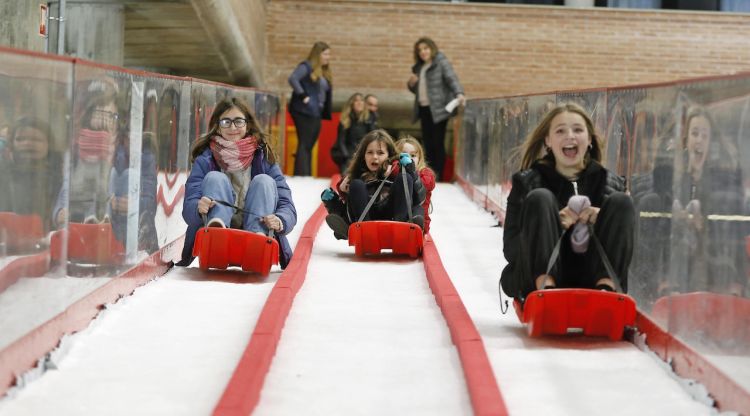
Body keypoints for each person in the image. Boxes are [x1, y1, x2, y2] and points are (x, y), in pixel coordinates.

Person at [500, 103, 635, 302]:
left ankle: (606, 292)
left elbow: (628, 253)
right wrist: (552, 224)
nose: (570, 136)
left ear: (589, 139)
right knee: (541, 198)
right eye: (560, 130)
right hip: (538, 278)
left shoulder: (611, 183)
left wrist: (602, 220)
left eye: (578, 130)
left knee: (621, 202)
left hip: (592, 277)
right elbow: (511, 250)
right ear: (548, 140)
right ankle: (546, 290)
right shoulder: (527, 182)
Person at [635, 107, 746, 298]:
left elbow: (729, 228)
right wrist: (674, 220)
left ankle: (729, 285)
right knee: (651, 204)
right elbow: (655, 207)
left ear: (711, 143)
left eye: (705, 135)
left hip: (710, 257)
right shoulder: (671, 175)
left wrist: (704, 226)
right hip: (675, 253)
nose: (699, 140)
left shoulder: (720, 180)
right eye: (695, 134)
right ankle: (665, 285)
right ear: (686, 140)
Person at [177, 98, 297, 269]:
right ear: (218, 126)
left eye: (238, 121)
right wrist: (198, 207)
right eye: (226, 122)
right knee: (214, 177)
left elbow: (286, 203)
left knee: (264, 181)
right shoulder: (205, 159)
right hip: (219, 239)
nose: (233, 127)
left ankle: (258, 239)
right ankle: (216, 231)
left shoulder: (264, 157)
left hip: (256, 235)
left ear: (247, 125)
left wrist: (280, 220)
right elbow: (189, 205)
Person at [321, 129, 426, 240]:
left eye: (380, 153)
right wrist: (343, 190)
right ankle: (357, 228)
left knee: (405, 178)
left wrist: (410, 172)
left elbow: (419, 198)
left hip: (392, 213)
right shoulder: (358, 174)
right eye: (370, 152)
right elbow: (353, 202)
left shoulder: (396, 169)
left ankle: (402, 226)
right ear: (363, 155)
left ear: (389, 155)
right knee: (356, 184)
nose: (375, 157)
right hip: (366, 215)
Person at [54, 77, 120, 227]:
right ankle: (91, 217)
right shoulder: (75, 149)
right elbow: (66, 188)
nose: (103, 120)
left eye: (110, 115)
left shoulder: (120, 156)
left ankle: (99, 217)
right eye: (97, 113)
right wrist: (60, 212)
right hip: (79, 204)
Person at [407, 37, 464, 182]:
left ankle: (437, 176)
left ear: (432, 48)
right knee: (427, 143)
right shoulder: (420, 67)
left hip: (439, 109)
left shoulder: (440, 62)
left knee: (437, 143)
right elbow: (418, 90)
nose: (422, 52)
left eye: (425, 48)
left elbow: (452, 78)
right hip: (424, 108)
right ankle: (429, 175)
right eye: (419, 50)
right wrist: (411, 84)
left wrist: (459, 93)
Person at [0, 116, 62, 233]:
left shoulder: (59, 177)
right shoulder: (3, 174)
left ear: (49, 144)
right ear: (11, 144)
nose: (27, 143)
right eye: (20, 139)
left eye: (36, 139)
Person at [288, 41, 332, 176]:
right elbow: (293, 79)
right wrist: (303, 96)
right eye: (325, 54)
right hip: (304, 111)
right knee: (305, 143)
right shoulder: (306, 66)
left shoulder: (323, 71)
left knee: (308, 145)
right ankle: (303, 175)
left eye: (329, 54)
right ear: (317, 54)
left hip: (315, 112)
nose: (328, 57)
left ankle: (303, 174)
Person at [395, 136, 435, 234]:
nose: (408, 159)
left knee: (417, 211)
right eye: (404, 155)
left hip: (419, 220)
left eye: (412, 155)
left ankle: (415, 223)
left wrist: (411, 171)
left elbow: (426, 185)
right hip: (398, 217)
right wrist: (398, 168)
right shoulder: (394, 170)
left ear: (420, 158)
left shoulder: (425, 173)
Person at [330, 92, 376, 173]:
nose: (359, 103)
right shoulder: (345, 120)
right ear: (351, 104)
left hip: (362, 154)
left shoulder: (368, 119)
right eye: (356, 101)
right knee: (347, 174)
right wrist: (347, 158)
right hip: (347, 154)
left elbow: (373, 138)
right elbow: (341, 141)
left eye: (361, 100)